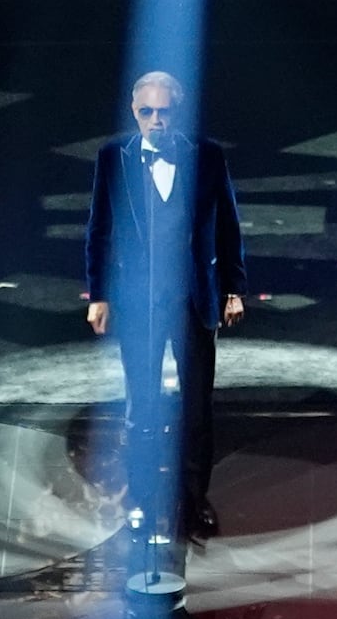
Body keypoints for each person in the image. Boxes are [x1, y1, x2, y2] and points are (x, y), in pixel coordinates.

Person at [80, 71, 246, 582]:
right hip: (138, 302)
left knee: (196, 409)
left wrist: (235, 288)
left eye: (165, 112)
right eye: (147, 112)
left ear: (178, 112)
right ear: (134, 111)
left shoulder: (208, 155)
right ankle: (142, 503)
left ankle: (191, 505)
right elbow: (100, 228)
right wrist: (100, 293)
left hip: (194, 298)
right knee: (142, 407)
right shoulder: (115, 156)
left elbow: (228, 225)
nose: (156, 120)